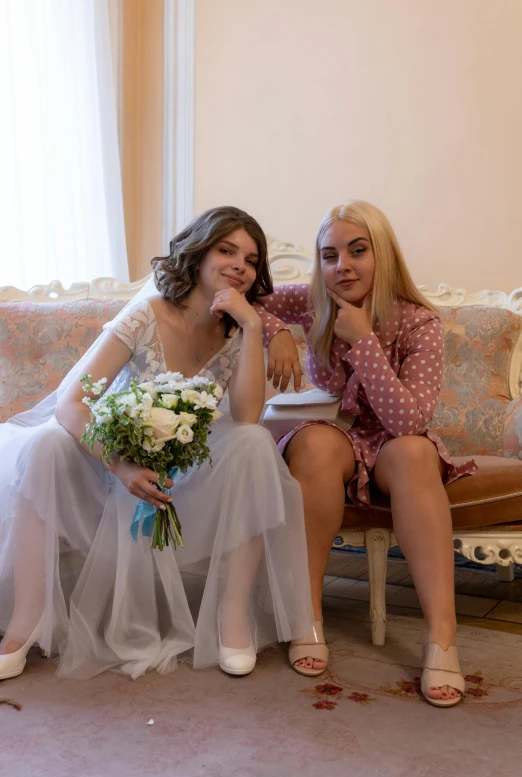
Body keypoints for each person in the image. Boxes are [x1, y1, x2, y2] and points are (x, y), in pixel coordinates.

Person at [0, 206, 312, 681]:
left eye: (250, 259)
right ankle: (27, 619)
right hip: (110, 459)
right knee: (44, 445)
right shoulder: (146, 314)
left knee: (253, 443)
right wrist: (123, 466)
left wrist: (256, 329)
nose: (239, 265)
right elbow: (71, 405)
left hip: (186, 470)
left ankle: (232, 620)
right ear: (198, 252)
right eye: (226, 250)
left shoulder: (238, 328)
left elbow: (248, 416)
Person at [258, 201, 475, 706]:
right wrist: (278, 336)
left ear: (384, 255)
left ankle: (441, 638)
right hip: (336, 437)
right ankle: (306, 617)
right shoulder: (315, 303)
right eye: (329, 255)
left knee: (416, 453)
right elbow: (251, 298)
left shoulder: (419, 323)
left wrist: (364, 341)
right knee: (312, 443)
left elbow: (407, 422)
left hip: (397, 443)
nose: (343, 266)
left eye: (358, 251)